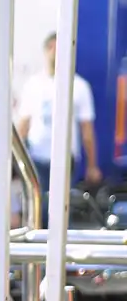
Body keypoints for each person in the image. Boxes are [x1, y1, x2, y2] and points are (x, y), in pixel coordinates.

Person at [17, 32, 102, 225]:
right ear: (45, 50)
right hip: (36, 156)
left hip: (64, 158)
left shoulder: (79, 86)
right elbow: (24, 124)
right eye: (52, 48)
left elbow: (87, 130)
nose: (55, 54)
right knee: (37, 205)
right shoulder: (34, 85)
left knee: (59, 207)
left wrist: (92, 165)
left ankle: (54, 246)